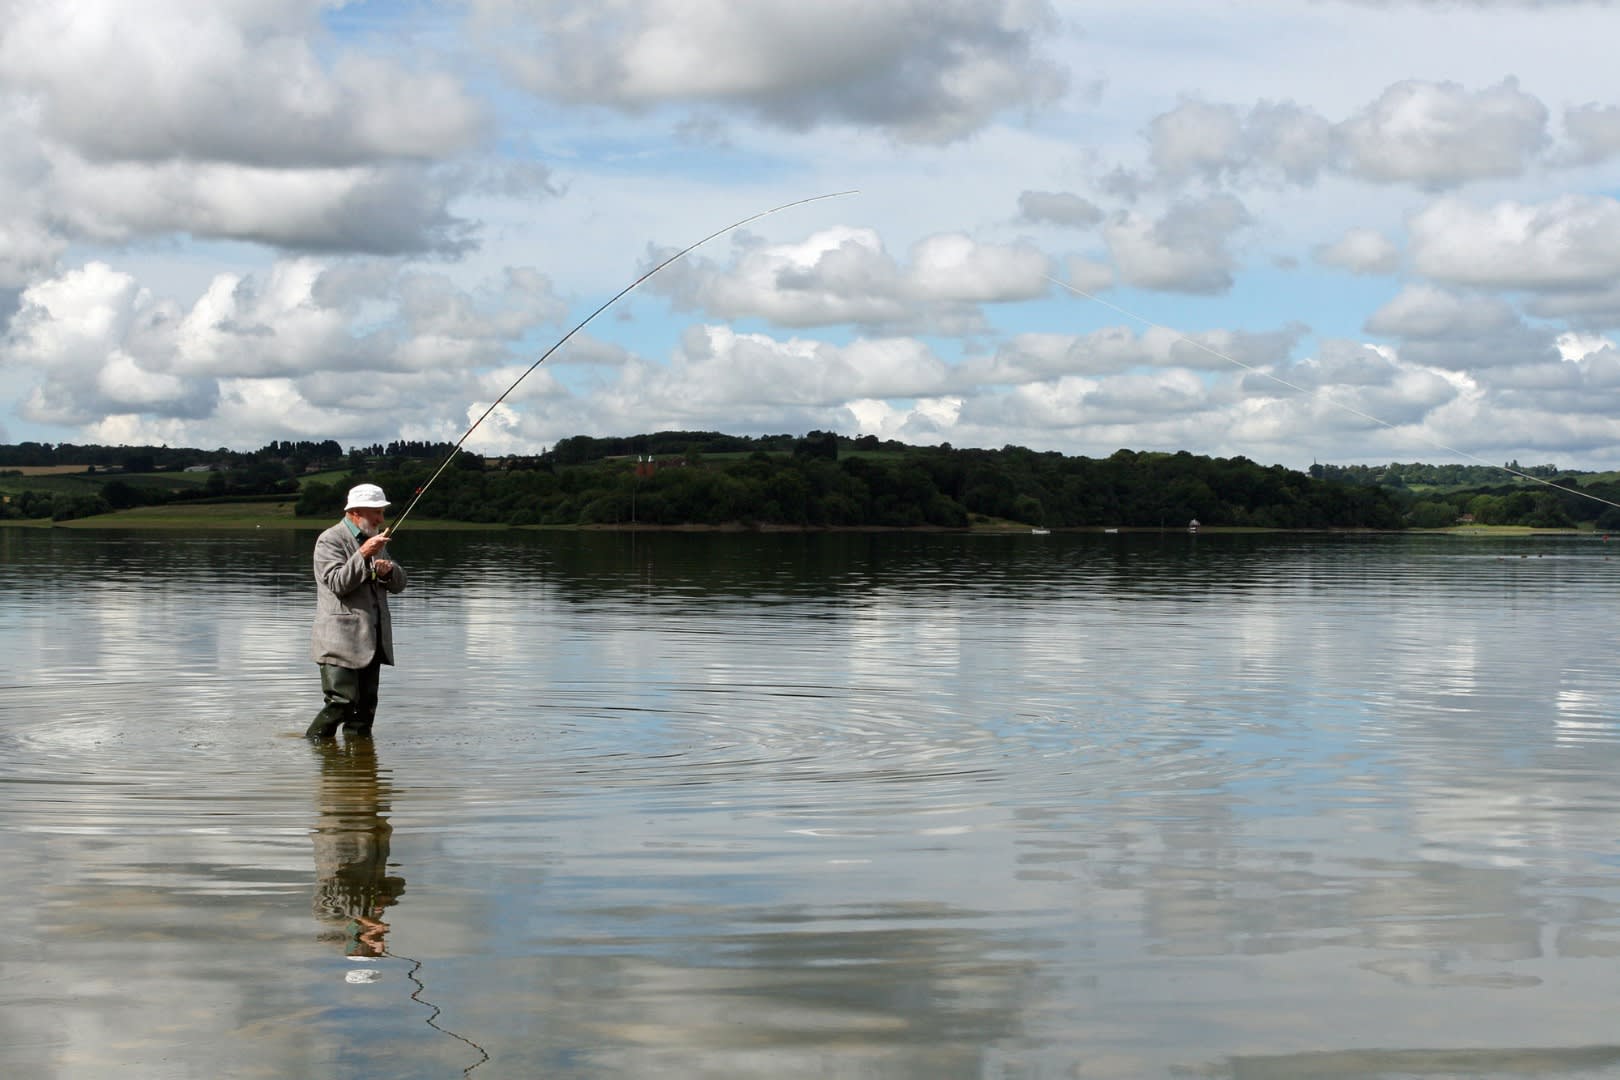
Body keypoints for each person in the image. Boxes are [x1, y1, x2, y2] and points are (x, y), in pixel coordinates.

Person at [307, 483, 407, 740]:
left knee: (365, 712)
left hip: (372, 639)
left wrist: (388, 572)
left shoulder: (375, 539)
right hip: (339, 641)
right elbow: (337, 583)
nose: (381, 519)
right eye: (376, 512)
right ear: (356, 511)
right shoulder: (330, 539)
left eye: (382, 512)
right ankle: (315, 745)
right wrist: (362, 554)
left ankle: (360, 771)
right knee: (342, 702)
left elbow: (399, 584)